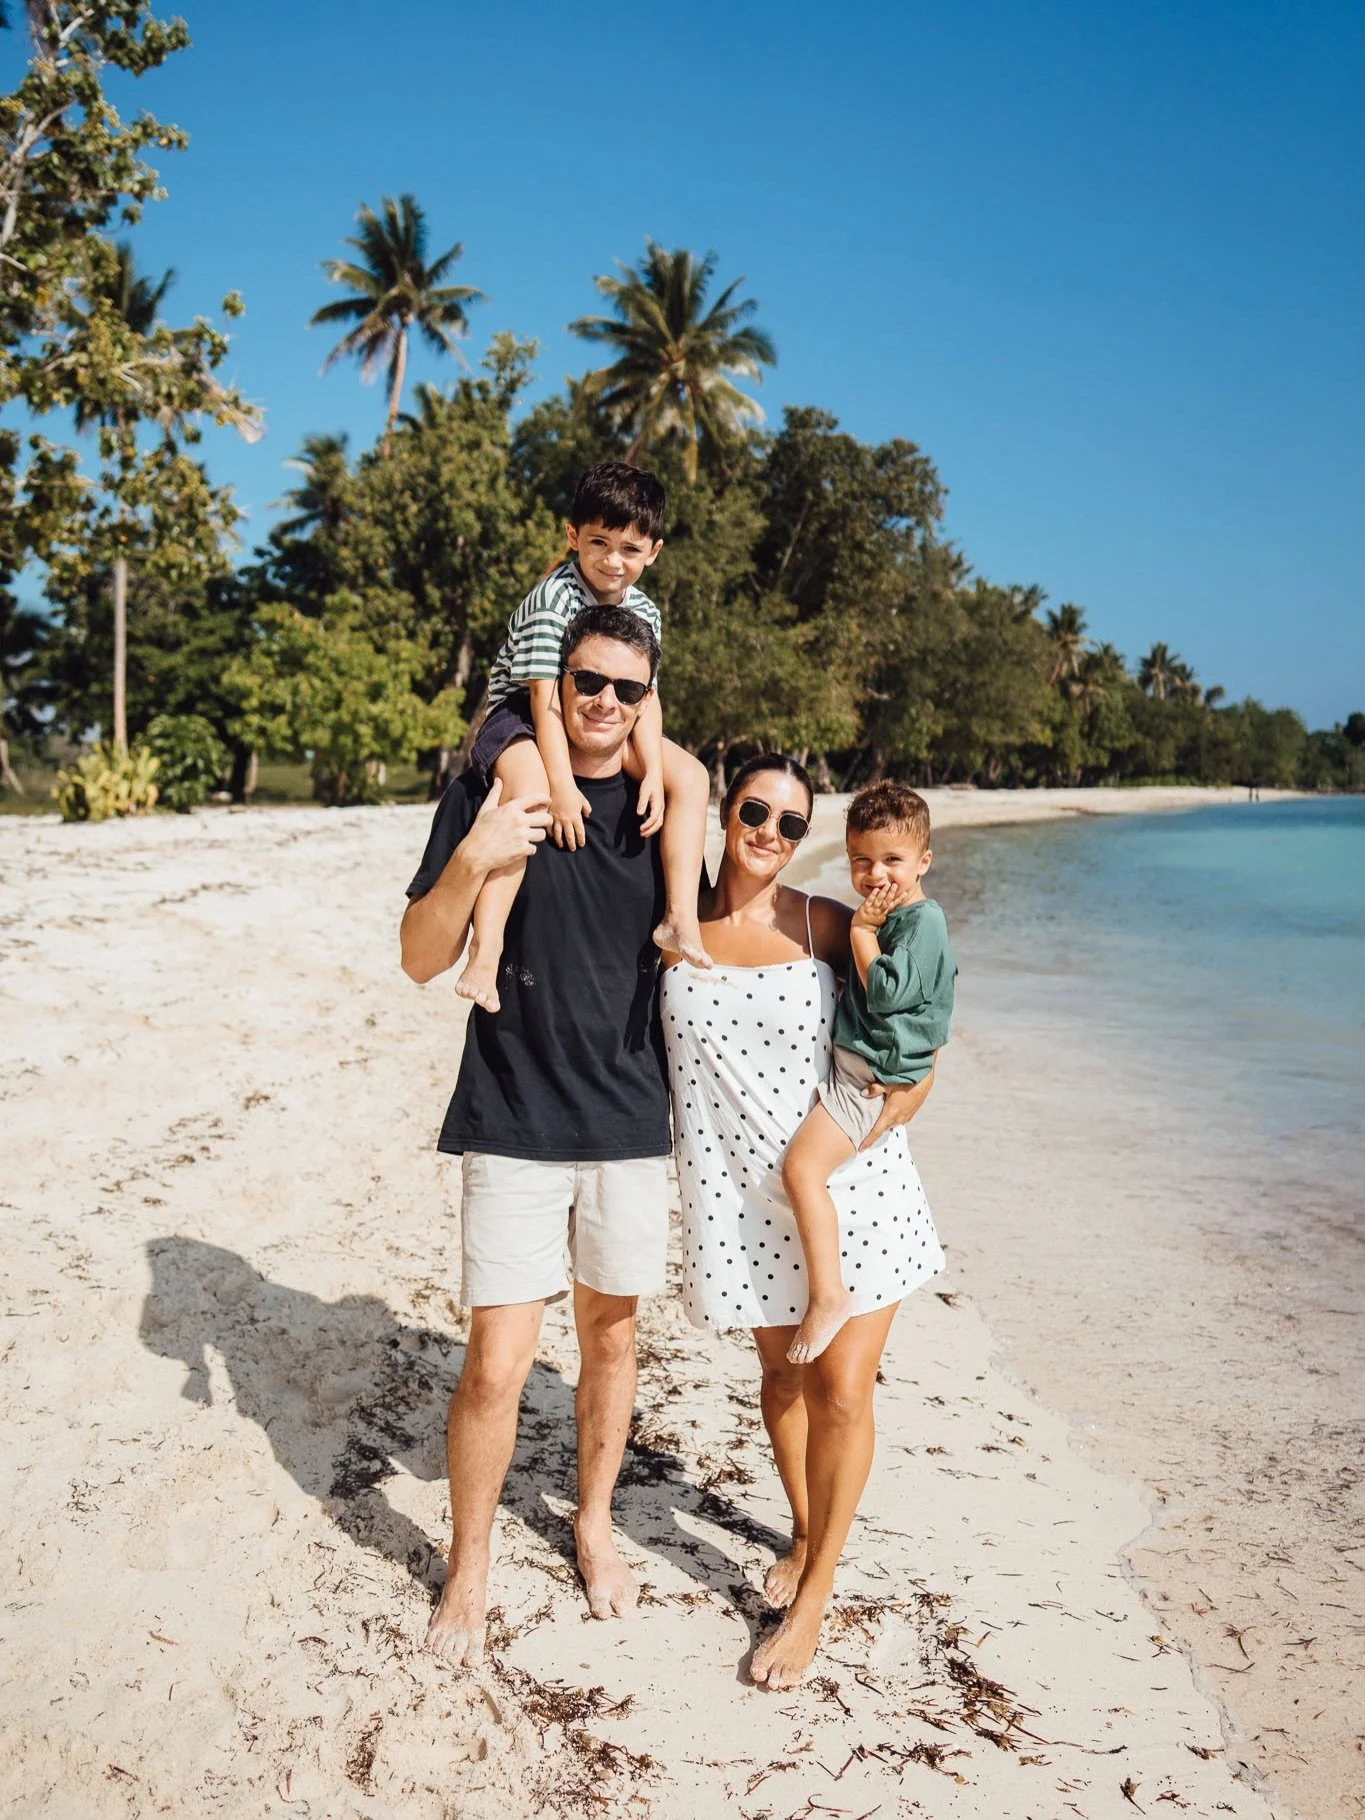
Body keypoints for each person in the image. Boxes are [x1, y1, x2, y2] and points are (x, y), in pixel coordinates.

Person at [400, 603, 674, 1668]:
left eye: (627, 689)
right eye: (587, 682)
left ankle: (592, 1519)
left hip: (624, 1120)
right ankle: (468, 1567)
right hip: (513, 1111)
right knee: (496, 1363)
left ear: (650, 702)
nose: (604, 702)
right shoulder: (498, 779)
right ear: (555, 684)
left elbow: (738, 915)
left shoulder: (660, 805)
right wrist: (473, 856)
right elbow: (421, 957)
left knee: (611, 1337)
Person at [660, 755, 945, 1692]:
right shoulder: (671, 921)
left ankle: (816, 1593)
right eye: (753, 810)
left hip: (851, 1188)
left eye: (791, 824)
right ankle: (805, 1526)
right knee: (779, 1380)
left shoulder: (828, 923)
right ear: (722, 811)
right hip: (742, 1198)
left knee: (841, 1394)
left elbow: (915, 1021)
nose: (769, 835)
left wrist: (914, 1095)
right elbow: (661, 760)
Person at [454, 460, 711, 1013]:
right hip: (520, 712)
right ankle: (488, 944)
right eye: (599, 543)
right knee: (531, 794)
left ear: (654, 552)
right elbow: (546, 701)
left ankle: (681, 917)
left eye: (630, 549)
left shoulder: (646, 611)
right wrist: (563, 785)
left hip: (600, 707)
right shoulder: (554, 601)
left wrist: (653, 772)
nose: (613, 561)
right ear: (573, 537)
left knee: (692, 775)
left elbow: (648, 698)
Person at [782, 782, 956, 1364]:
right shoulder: (899, 915)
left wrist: (859, 932)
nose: (876, 874)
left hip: (868, 1080)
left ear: (924, 861)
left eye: (893, 861)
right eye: (862, 861)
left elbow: (885, 995)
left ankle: (829, 1296)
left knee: (803, 1170)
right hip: (859, 1068)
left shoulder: (920, 923)